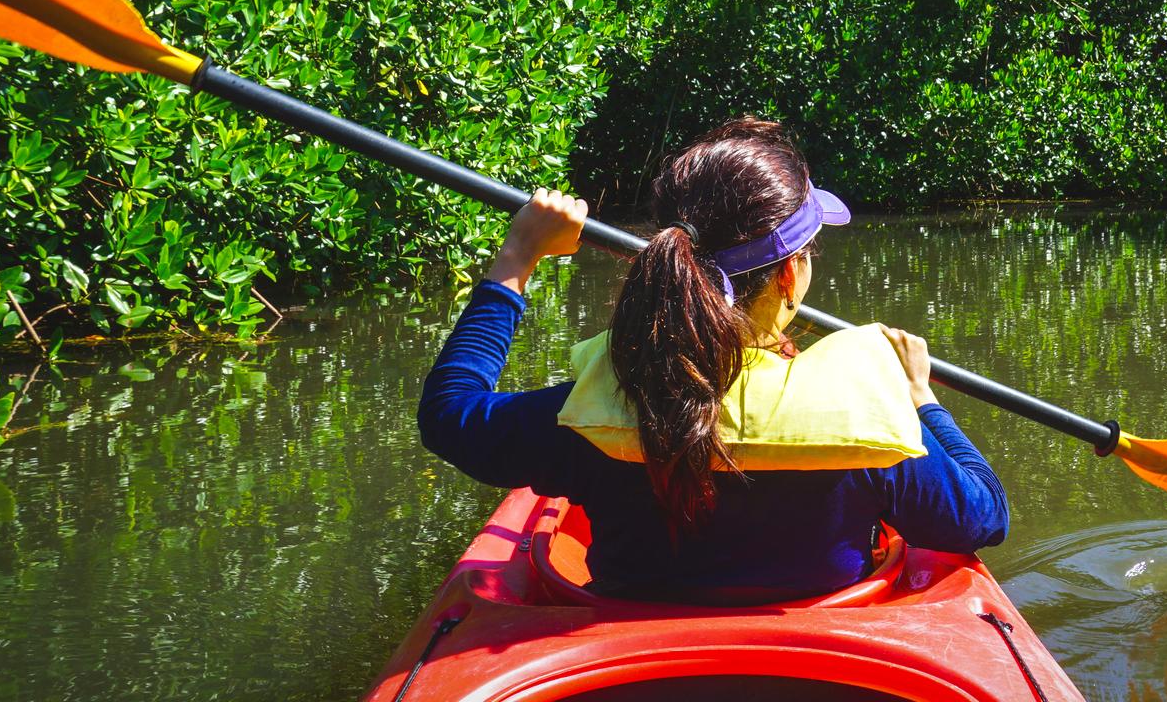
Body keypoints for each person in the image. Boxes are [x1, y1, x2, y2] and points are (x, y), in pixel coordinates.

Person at [419, 118, 1007, 601]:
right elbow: (984, 517)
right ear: (789, 272)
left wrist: (518, 257)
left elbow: (449, 413)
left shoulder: (583, 419)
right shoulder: (872, 425)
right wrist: (920, 400)